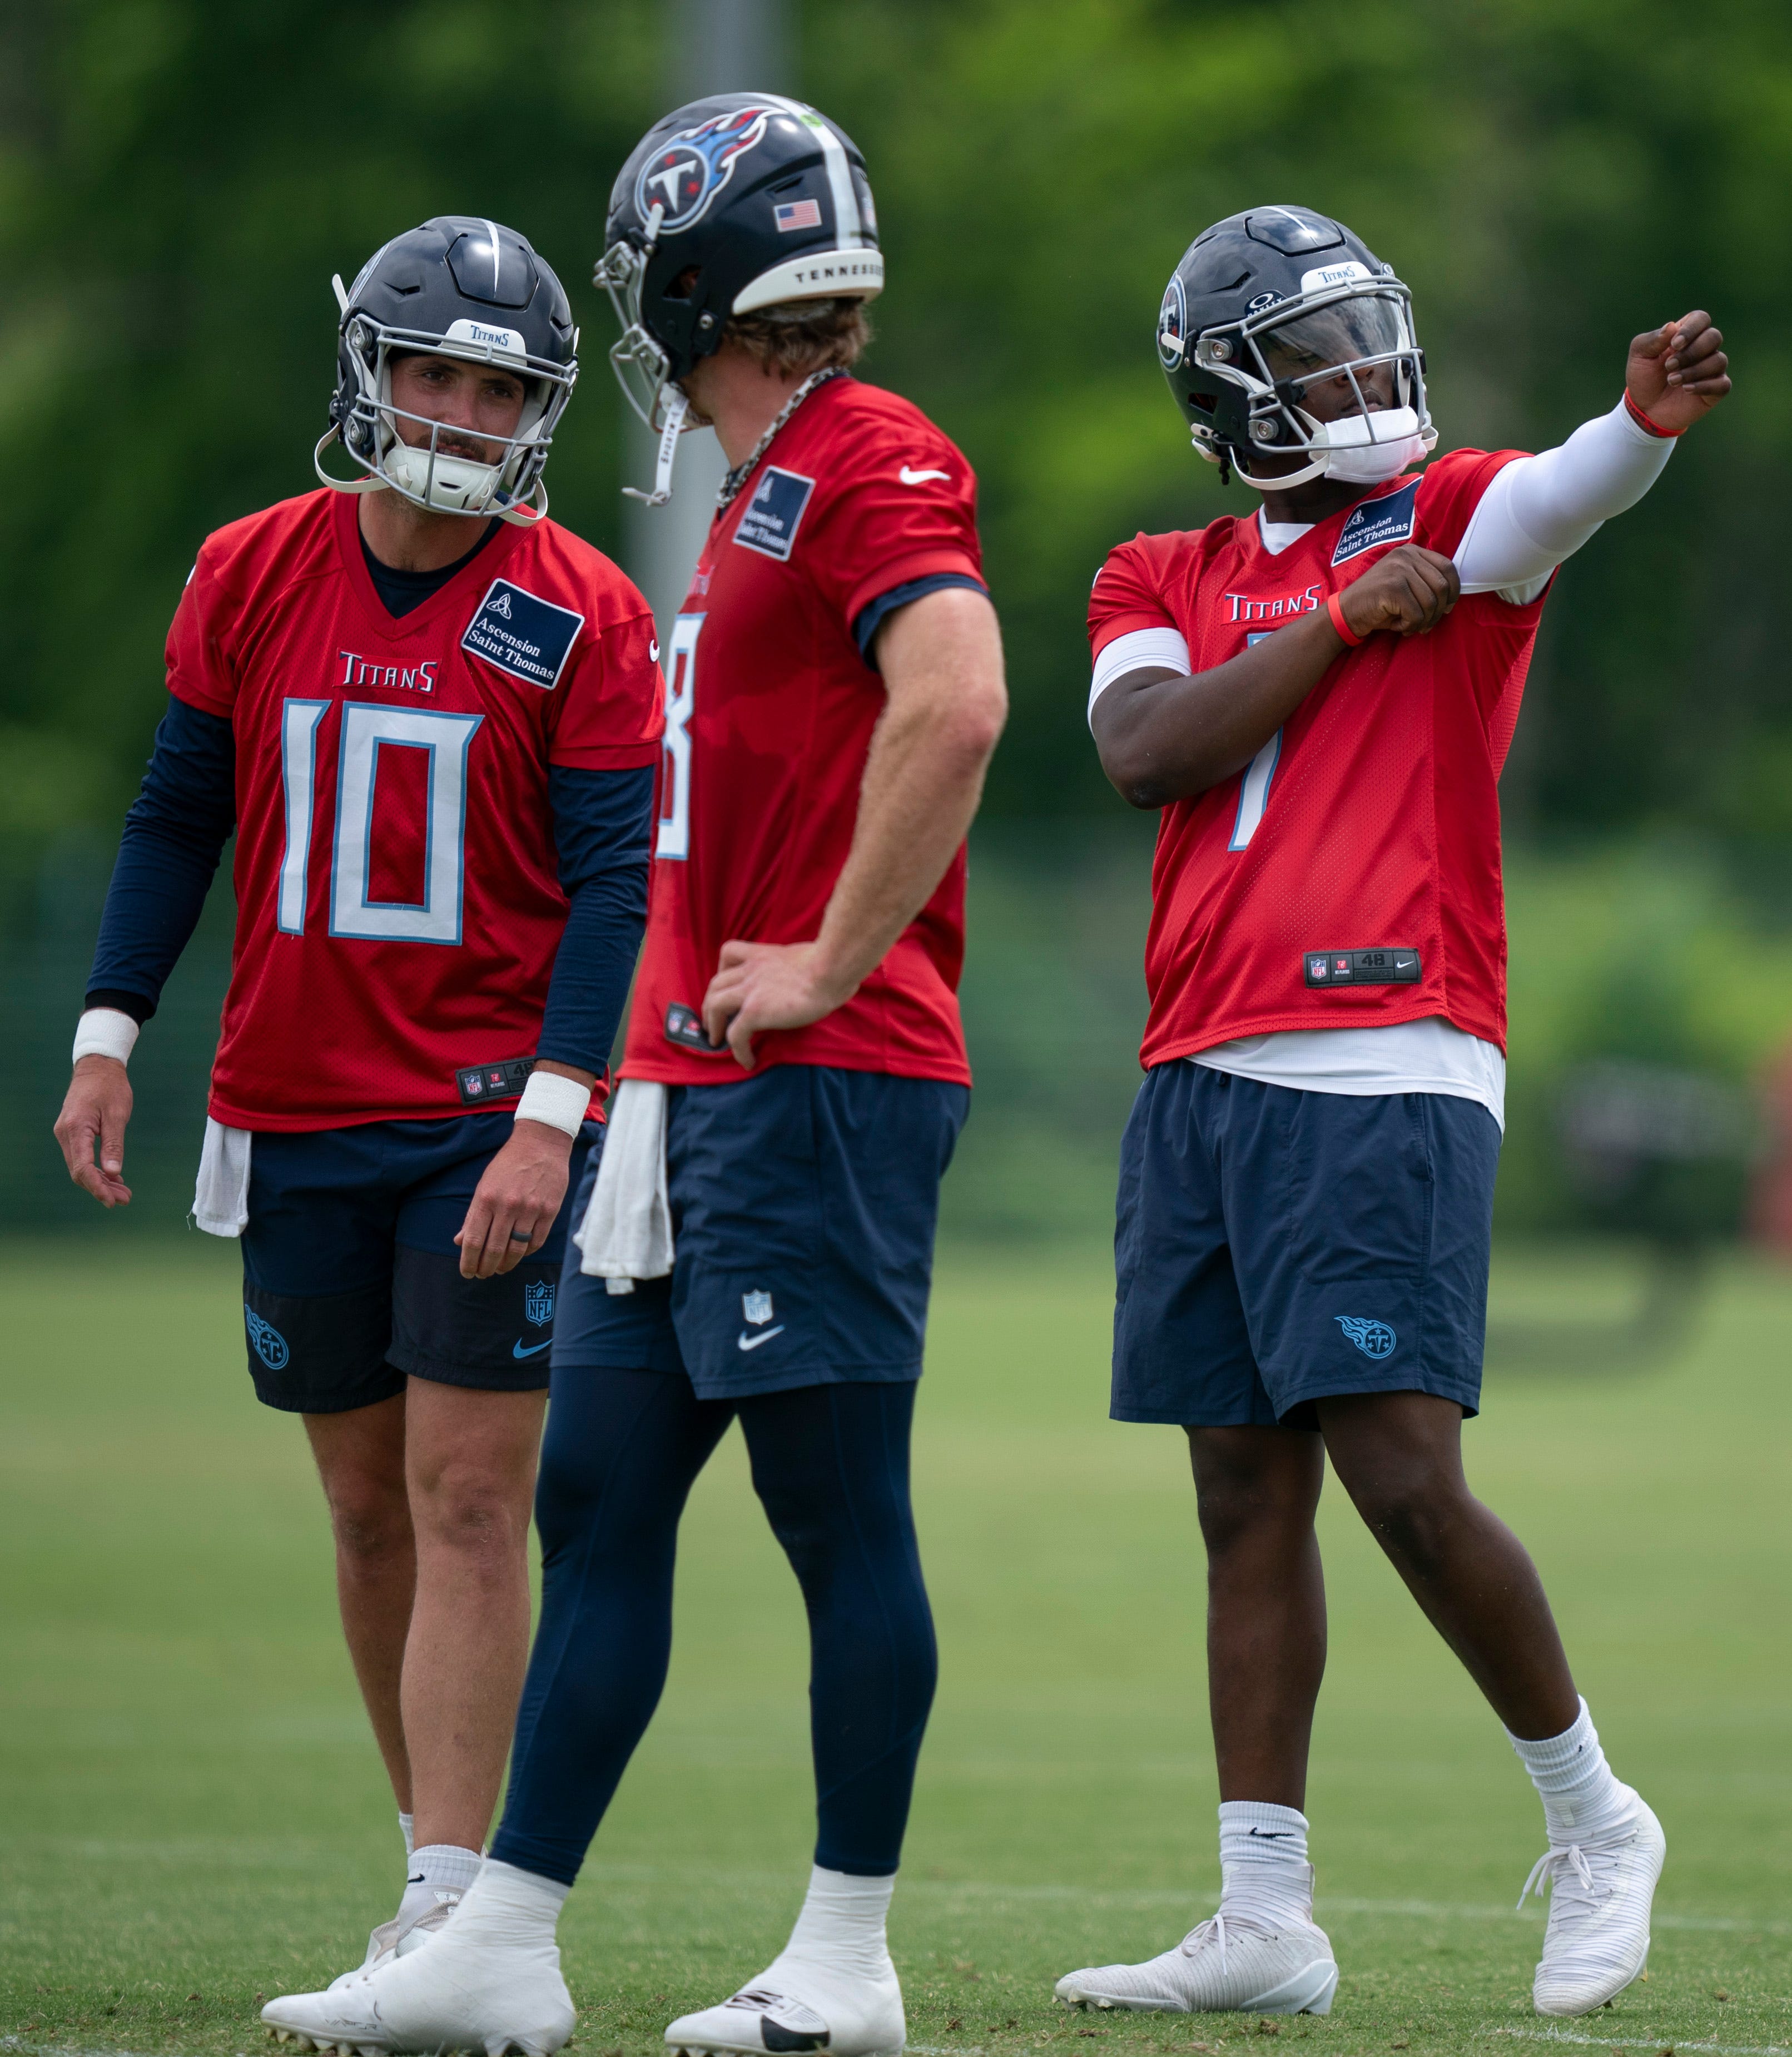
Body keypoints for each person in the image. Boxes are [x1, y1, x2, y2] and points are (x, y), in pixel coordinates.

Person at [260, 95, 1007, 2057]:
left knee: (838, 1510)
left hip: (821, 1071)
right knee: (592, 1489)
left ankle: (848, 1959)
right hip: (691, 1094)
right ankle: (503, 1938)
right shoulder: (761, 484)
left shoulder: (867, 452)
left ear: (698, 262)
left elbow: (960, 701)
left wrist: (833, 954)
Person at [1051, 207, 1729, 2023]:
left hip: (1387, 1053)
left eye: (1369, 335)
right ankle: (1263, 1911)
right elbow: (1149, 754)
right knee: (1237, 1496)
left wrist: (1639, 426)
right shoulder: (1156, 569)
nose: (1362, 375)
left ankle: (1598, 1818)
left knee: (1407, 1482)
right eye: (1316, 351)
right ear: (1233, 394)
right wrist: (1342, 626)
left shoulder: (1443, 520)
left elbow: (1558, 498)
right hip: (1199, 1067)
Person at [53, 217, 663, 1983]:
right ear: (370, 371)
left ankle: (461, 1908)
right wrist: (112, 1024)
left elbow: (617, 881)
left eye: (500, 387)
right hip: (294, 1100)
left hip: (485, 1107)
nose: (463, 412)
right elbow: (178, 810)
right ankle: (430, 1867)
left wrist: (558, 1108)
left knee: (471, 1490)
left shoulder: (579, 610)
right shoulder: (249, 567)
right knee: (365, 1501)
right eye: (436, 372)